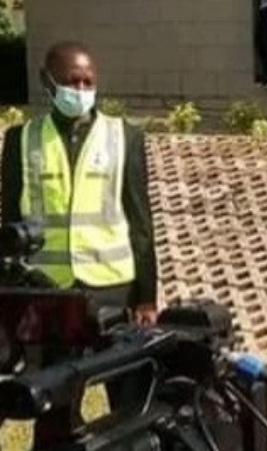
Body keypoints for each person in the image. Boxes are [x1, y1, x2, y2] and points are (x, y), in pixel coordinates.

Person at [0, 40, 158, 443]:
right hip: (50, 293)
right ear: (47, 82)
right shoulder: (21, 140)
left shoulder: (124, 138)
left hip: (112, 289)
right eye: (72, 82)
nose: (82, 90)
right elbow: (11, 225)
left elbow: (141, 223)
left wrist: (146, 298)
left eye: (88, 82)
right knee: (54, 403)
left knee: (129, 401)